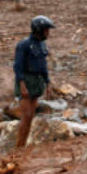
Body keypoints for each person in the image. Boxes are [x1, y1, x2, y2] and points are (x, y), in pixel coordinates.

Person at [14, 15, 55, 149]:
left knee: (31, 116)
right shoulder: (24, 45)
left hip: (37, 81)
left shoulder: (42, 45)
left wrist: (48, 82)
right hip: (26, 80)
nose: (48, 33)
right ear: (38, 30)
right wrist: (22, 84)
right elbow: (17, 66)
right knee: (26, 116)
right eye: (46, 30)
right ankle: (18, 147)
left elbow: (43, 65)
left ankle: (23, 146)